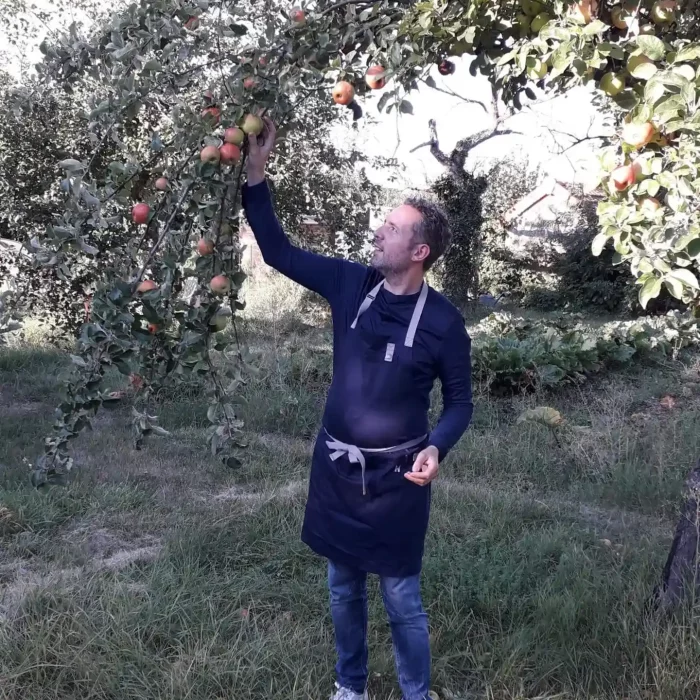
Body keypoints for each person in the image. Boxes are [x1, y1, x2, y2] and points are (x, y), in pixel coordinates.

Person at [241, 117, 474, 700]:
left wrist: (435, 447)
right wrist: (256, 170)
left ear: (419, 250)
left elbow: (461, 403)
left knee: (400, 599)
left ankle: (415, 693)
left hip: (397, 480)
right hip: (336, 470)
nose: (378, 230)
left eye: (391, 228)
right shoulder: (351, 284)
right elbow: (276, 250)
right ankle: (351, 687)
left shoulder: (444, 324)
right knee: (342, 586)